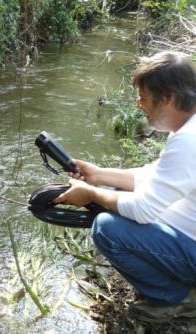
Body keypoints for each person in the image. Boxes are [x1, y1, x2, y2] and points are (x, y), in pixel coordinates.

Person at [54, 51, 196, 322]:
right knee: (118, 197)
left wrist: (90, 193)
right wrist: (98, 175)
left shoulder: (189, 140)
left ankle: (176, 299)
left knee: (107, 228)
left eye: (143, 97)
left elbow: (143, 210)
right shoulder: (189, 128)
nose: (139, 104)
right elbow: (154, 174)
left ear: (168, 98)